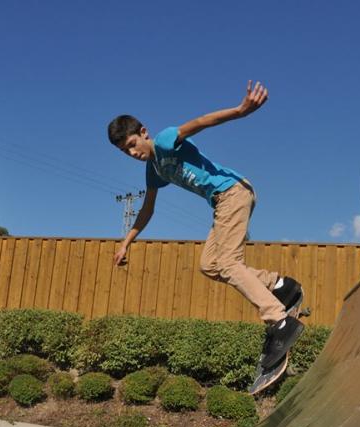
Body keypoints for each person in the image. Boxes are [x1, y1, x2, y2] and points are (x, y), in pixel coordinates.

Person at [107, 81, 303, 370]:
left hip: (232, 192)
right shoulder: (154, 169)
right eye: (126, 152)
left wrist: (240, 111)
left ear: (143, 133)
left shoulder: (163, 140)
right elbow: (148, 208)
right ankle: (281, 286)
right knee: (210, 264)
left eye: (133, 145)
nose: (133, 154)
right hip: (221, 203)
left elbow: (199, 123)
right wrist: (126, 242)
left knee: (228, 263)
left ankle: (281, 321)